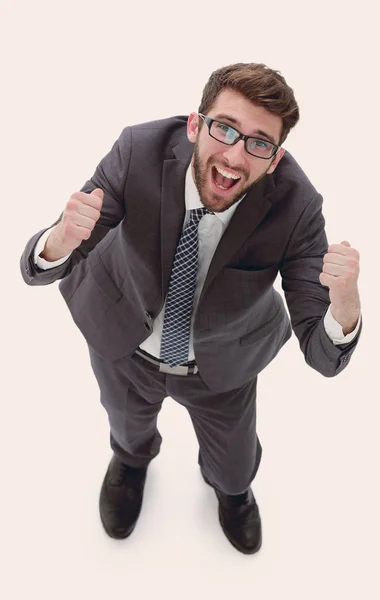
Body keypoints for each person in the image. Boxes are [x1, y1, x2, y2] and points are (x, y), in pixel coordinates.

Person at [20, 62, 362, 555]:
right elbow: (40, 268)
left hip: (220, 364)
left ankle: (234, 495)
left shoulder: (298, 205)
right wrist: (61, 238)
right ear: (195, 125)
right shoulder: (138, 150)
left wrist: (346, 305)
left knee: (235, 461)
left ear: (275, 158)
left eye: (258, 142)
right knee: (126, 423)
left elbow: (322, 353)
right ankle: (132, 463)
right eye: (225, 128)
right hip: (123, 339)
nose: (235, 153)